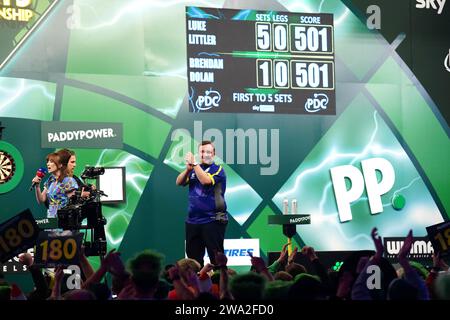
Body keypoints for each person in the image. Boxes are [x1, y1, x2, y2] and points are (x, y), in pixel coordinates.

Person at [176, 140, 228, 267]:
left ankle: (220, 284)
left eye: (209, 152)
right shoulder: (194, 169)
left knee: (217, 260)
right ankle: (197, 285)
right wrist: (188, 170)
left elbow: (205, 180)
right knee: (193, 263)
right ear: (199, 154)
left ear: (214, 154)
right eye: (203, 152)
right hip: (193, 221)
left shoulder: (218, 170)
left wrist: (194, 164)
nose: (206, 154)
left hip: (213, 219)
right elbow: (179, 182)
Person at [32, 152, 78, 218]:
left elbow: (73, 202)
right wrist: (37, 186)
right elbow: (41, 200)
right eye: (47, 162)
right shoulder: (50, 180)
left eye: (51, 162)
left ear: (60, 165)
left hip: (65, 218)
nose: (48, 164)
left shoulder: (68, 180)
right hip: (52, 217)